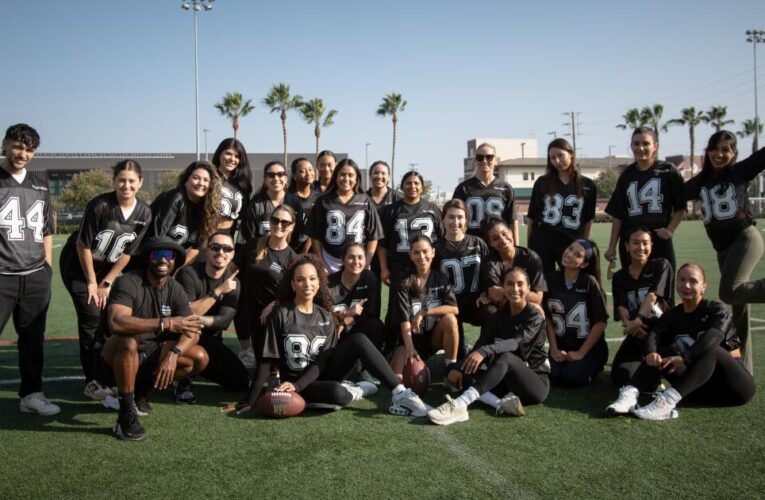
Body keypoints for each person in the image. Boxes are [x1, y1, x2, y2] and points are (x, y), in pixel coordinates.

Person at [225, 254, 428, 416]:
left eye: (312, 279)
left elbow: (322, 361)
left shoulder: (324, 316)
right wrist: (249, 401)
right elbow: (267, 362)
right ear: (293, 284)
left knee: (359, 340)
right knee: (337, 394)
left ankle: (400, 393)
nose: (307, 284)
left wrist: (298, 386)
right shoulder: (281, 314)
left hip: (318, 374)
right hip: (296, 382)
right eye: (301, 280)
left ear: (319, 282)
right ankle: (356, 390)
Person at [607, 263, 755, 420]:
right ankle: (630, 394)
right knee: (660, 352)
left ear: (704, 286)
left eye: (693, 281)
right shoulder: (673, 315)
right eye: (682, 280)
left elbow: (716, 338)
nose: (686, 285)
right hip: (696, 387)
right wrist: (651, 353)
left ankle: (667, 401)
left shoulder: (717, 311)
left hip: (733, 387)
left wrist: (685, 358)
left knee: (713, 351)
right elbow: (654, 335)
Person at [98, 236, 208, 440]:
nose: (164, 260)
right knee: (129, 340)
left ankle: (140, 393)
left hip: (151, 353)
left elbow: (192, 330)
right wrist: (165, 323)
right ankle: (125, 413)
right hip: (116, 355)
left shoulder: (175, 289)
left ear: (175, 261)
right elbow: (117, 322)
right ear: (149, 258)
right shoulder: (128, 281)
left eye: (169, 255)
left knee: (198, 357)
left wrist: (174, 354)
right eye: (158, 254)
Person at [60, 159, 152, 399]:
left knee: (108, 320)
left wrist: (108, 281)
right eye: (122, 180)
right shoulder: (100, 205)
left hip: (107, 270)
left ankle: (103, 375)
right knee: (91, 315)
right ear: (114, 181)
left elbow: (128, 253)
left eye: (132, 181)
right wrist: (92, 282)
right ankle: (92, 381)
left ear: (140, 182)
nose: (126, 185)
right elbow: (83, 246)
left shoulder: (144, 212)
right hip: (79, 267)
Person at [684, 131, 765, 374]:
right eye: (715, 149)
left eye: (726, 150)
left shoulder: (740, 171)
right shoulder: (701, 181)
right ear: (707, 152)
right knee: (739, 310)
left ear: (733, 153)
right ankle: (744, 368)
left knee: (729, 293)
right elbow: (673, 192)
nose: (719, 155)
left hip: (745, 238)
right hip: (722, 248)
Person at [427, 268, 550, 425]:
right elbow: (482, 343)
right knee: (459, 374)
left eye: (520, 284)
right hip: (505, 383)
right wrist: (457, 368)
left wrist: (486, 350)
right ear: (503, 287)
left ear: (528, 288)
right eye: (510, 284)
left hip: (533, 384)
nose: (515, 289)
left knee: (506, 357)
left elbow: (515, 343)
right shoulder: (498, 316)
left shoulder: (534, 316)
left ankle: (460, 404)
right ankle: (499, 404)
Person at [0, 124, 60, 416]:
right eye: (18, 146)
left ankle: (31, 394)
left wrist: (46, 266)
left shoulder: (39, 184)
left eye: (29, 149)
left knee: (33, 340)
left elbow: (46, 229)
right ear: (5, 144)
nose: (22, 153)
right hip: (2, 275)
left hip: (35, 275)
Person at [175, 232, 249, 399]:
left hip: (209, 340)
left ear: (232, 253)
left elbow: (223, 321)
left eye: (226, 249)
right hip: (181, 338)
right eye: (215, 247)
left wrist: (195, 320)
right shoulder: (188, 274)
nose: (220, 252)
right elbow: (187, 313)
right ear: (207, 251)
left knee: (240, 382)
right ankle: (181, 378)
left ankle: (197, 369)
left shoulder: (234, 282)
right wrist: (219, 291)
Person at [604, 127, 686, 273]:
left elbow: (680, 206)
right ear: (631, 146)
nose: (640, 148)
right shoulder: (626, 175)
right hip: (631, 242)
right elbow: (618, 215)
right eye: (636, 144)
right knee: (633, 289)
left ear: (655, 145)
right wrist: (611, 247)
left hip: (658, 241)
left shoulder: (668, 170)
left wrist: (669, 230)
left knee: (662, 289)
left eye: (646, 143)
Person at [609, 226, 674, 390]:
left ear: (652, 245)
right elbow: (621, 307)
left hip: (661, 334)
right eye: (635, 243)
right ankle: (650, 372)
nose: (641, 247)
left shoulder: (661, 265)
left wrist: (638, 320)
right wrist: (630, 325)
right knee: (620, 377)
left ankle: (658, 371)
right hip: (637, 334)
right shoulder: (620, 276)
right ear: (626, 246)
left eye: (645, 243)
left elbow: (653, 296)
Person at [234, 205, 298, 368]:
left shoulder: (292, 258)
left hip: (273, 315)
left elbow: (294, 293)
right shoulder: (253, 245)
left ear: (291, 226)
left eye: (285, 222)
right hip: (250, 311)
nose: (279, 225)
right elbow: (232, 269)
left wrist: (274, 304)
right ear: (270, 222)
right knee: (259, 359)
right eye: (275, 220)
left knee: (270, 363)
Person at [390, 235, 460, 382]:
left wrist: (425, 312)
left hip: (433, 338)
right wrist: (410, 347)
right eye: (416, 252)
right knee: (398, 380)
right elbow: (404, 319)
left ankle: (449, 370)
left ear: (433, 252)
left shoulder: (441, 278)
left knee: (450, 320)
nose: (421, 256)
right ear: (410, 254)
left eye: (425, 251)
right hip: (407, 340)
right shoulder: (403, 281)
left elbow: (454, 309)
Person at [543, 239, 608, 387]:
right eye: (570, 248)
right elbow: (547, 318)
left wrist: (581, 353)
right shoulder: (551, 279)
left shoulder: (589, 282)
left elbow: (601, 322)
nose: (570, 254)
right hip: (562, 346)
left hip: (589, 348)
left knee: (571, 378)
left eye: (577, 254)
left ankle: (595, 366)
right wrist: (553, 348)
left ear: (584, 264)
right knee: (552, 376)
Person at [527, 138, 597, 274]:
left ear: (571, 153)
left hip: (570, 241)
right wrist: (530, 245)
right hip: (543, 240)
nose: (557, 161)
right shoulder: (542, 182)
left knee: (572, 281)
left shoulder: (587, 184)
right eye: (552, 158)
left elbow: (588, 219)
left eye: (560, 155)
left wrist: (583, 244)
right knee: (543, 282)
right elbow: (532, 217)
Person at [434, 199, 490, 358]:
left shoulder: (478, 243)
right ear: (443, 219)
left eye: (460, 217)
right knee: (458, 356)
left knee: (492, 313)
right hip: (450, 306)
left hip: (476, 303)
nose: (455, 222)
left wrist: (486, 292)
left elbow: (489, 273)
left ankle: (482, 353)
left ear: (466, 219)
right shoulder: (436, 248)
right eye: (451, 217)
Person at [310, 158, 382, 274]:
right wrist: (321, 262)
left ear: (357, 178)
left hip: (357, 260)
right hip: (330, 260)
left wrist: (366, 261)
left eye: (350, 175)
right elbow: (315, 236)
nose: (346, 179)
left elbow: (373, 236)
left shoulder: (365, 201)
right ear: (336, 176)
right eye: (342, 174)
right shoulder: (323, 201)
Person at [150, 161, 222, 266]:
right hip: (156, 258)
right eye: (196, 178)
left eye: (206, 180)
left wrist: (178, 270)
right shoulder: (174, 198)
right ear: (186, 180)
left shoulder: (208, 208)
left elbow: (197, 248)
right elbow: (158, 238)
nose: (201, 183)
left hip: (177, 260)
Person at [478, 217, 547, 320]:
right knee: (489, 310)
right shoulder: (489, 264)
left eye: (504, 233)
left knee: (536, 308)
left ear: (511, 232)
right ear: (490, 243)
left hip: (528, 307)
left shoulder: (531, 257)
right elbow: (497, 298)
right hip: (503, 308)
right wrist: (522, 293)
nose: (503, 239)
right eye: (496, 238)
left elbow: (537, 298)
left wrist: (504, 291)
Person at [452, 142, 518, 242]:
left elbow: (512, 222)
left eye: (489, 157)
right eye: (480, 157)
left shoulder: (506, 188)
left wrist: (516, 250)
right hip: (472, 245)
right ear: (475, 160)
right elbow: (454, 219)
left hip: (499, 245)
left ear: (496, 160)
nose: (484, 160)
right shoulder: (463, 188)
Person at [328, 243, 384, 348]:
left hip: (357, 332)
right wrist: (346, 313)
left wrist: (345, 322)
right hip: (335, 334)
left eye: (360, 257)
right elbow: (320, 318)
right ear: (342, 259)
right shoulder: (328, 284)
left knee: (375, 325)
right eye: (351, 257)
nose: (356, 262)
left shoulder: (369, 278)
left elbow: (371, 313)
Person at [239, 160, 302, 250]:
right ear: (265, 180)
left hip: (287, 256)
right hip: (261, 254)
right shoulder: (256, 204)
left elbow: (298, 234)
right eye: (271, 175)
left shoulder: (295, 203)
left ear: (286, 178)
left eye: (280, 174)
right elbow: (249, 235)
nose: (276, 178)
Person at [212, 138, 252, 236]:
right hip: (204, 235)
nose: (232, 159)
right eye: (228, 154)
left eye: (237, 156)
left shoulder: (242, 184)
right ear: (219, 154)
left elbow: (243, 216)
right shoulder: (208, 177)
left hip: (229, 235)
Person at [289, 157, 321, 252]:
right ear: (294, 175)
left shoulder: (319, 198)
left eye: (310, 169)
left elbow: (318, 227)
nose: (308, 173)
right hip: (290, 248)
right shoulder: (288, 197)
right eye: (302, 171)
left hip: (312, 249)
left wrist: (306, 247)